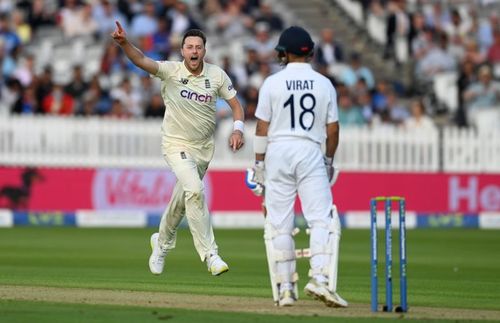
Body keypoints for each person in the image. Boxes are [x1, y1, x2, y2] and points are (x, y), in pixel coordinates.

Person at [111, 21, 245, 276]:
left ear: (204, 51)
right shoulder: (171, 71)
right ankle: (210, 255)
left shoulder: (217, 75)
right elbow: (140, 60)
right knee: (195, 190)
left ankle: (160, 243)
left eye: (198, 47)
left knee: (181, 202)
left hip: (204, 148)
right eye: (189, 47)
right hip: (175, 144)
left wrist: (238, 129)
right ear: (182, 51)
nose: (194, 51)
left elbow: (236, 106)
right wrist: (124, 43)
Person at [249, 26, 348, 308]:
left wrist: (258, 164)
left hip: (278, 152)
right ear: (311, 52)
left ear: (283, 53)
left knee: (280, 223)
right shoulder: (324, 83)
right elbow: (333, 130)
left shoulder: (272, 83)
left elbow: (261, 127)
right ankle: (319, 278)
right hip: (309, 150)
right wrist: (328, 160)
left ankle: (286, 289)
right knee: (320, 219)